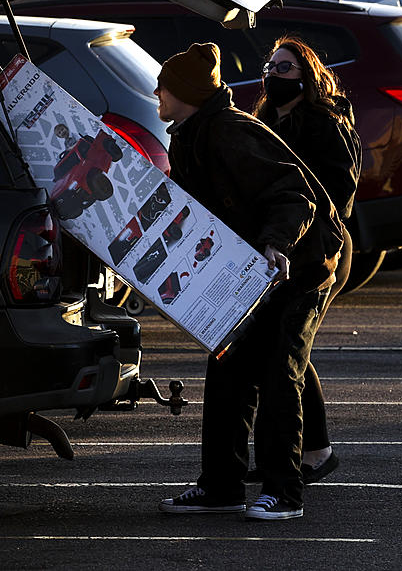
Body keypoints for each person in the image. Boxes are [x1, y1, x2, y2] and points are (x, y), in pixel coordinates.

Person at [153, 42, 344, 521]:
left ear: (188, 94)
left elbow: (295, 194)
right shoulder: (190, 133)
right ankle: (221, 487)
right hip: (244, 272)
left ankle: (284, 492)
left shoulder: (231, 132)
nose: (156, 91)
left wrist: (276, 243)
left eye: (165, 85)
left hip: (297, 266)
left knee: (279, 371)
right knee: (227, 370)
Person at [247, 36, 362, 484]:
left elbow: (339, 195)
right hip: (274, 248)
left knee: (287, 352)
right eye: (271, 66)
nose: (274, 74)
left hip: (318, 250)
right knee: (280, 351)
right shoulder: (261, 120)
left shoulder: (321, 124)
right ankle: (305, 450)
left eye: (286, 67)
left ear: (307, 75)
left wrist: (294, 225)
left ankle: (310, 453)